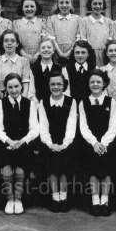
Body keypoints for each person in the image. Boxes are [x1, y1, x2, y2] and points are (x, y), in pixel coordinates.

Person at [0, 73, 39, 215]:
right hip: (6, 142)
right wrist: (9, 141)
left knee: (20, 168)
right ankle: (10, 199)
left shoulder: (29, 103)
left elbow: (34, 128)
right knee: (7, 168)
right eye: (10, 87)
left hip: (23, 143)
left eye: (16, 86)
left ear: (21, 86)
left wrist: (23, 141)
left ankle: (18, 199)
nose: (14, 90)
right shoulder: (1, 104)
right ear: (5, 88)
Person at [79, 69, 116, 216]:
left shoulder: (111, 101)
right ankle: (95, 201)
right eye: (92, 82)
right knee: (93, 170)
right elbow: (83, 126)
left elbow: (113, 125)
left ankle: (105, 201)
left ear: (104, 84)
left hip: (107, 143)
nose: (95, 84)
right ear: (88, 84)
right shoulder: (83, 102)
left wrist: (103, 143)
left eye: (98, 82)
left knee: (106, 170)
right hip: (90, 144)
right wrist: (94, 143)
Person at [39, 72, 77, 213]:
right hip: (50, 142)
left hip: (66, 142)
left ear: (64, 85)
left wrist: (64, 144)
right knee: (52, 168)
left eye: (59, 84)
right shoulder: (43, 102)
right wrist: (50, 144)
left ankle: (64, 197)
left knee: (64, 169)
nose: (56, 87)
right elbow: (43, 126)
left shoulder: (71, 101)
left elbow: (71, 125)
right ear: (49, 86)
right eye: (53, 84)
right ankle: (55, 198)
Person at [0, 29, 30, 106]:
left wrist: (21, 105)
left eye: (12, 41)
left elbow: (26, 87)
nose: (9, 43)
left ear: (17, 44)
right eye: (6, 41)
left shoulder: (24, 61)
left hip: (19, 101)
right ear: (2, 44)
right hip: (1, 101)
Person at [46, 0, 83, 66]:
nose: (64, 5)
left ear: (71, 4)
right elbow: (51, 39)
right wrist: (60, 53)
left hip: (73, 53)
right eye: (61, 3)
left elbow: (78, 38)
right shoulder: (52, 19)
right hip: (56, 53)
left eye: (67, 2)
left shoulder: (77, 19)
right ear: (57, 4)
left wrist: (69, 52)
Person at [30, 37, 69, 104]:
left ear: (53, 50)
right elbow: (31, 92)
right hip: (38, 105)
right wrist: (37, 104)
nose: (46, 50)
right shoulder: (33, 68)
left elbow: (66, 90)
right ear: (39, 51)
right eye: (43, 48)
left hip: (58, 105)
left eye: (49, 47)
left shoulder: (60, 68)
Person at [81, 0, 112, 67]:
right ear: (90, 5)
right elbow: (83, 41)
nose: (97, 6)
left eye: (100, 4)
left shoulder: (109, 22)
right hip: (90, 56)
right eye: (95, 4)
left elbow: (110, 42)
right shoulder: (84, 21)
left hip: (105, 56)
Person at [13, 0, 46, 64]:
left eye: (32, 6)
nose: (29, 9)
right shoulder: (16, 23)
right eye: (26, 6)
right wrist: (25, 55)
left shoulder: (42, 22)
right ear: (22, 8)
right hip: (21, 58)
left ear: (36, 8)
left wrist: (37, 55)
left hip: (40, 58)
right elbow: (15, 42)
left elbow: (44, 40)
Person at [66, 39, 96, 104]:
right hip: (72, 105)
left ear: (88, 53)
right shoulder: (67, 70)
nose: (80, 55)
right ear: (73, 54)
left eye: (83, 52)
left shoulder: (93, 69)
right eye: (77, 52)